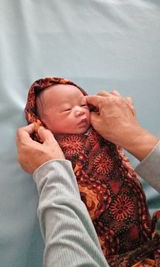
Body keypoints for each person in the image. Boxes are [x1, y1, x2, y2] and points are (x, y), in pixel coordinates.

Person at [23, 77, 160, 266]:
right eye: (67, 110)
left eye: (82, 104)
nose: (79, 111)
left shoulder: (101, 136)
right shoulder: (57, 148)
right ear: (43, 123)